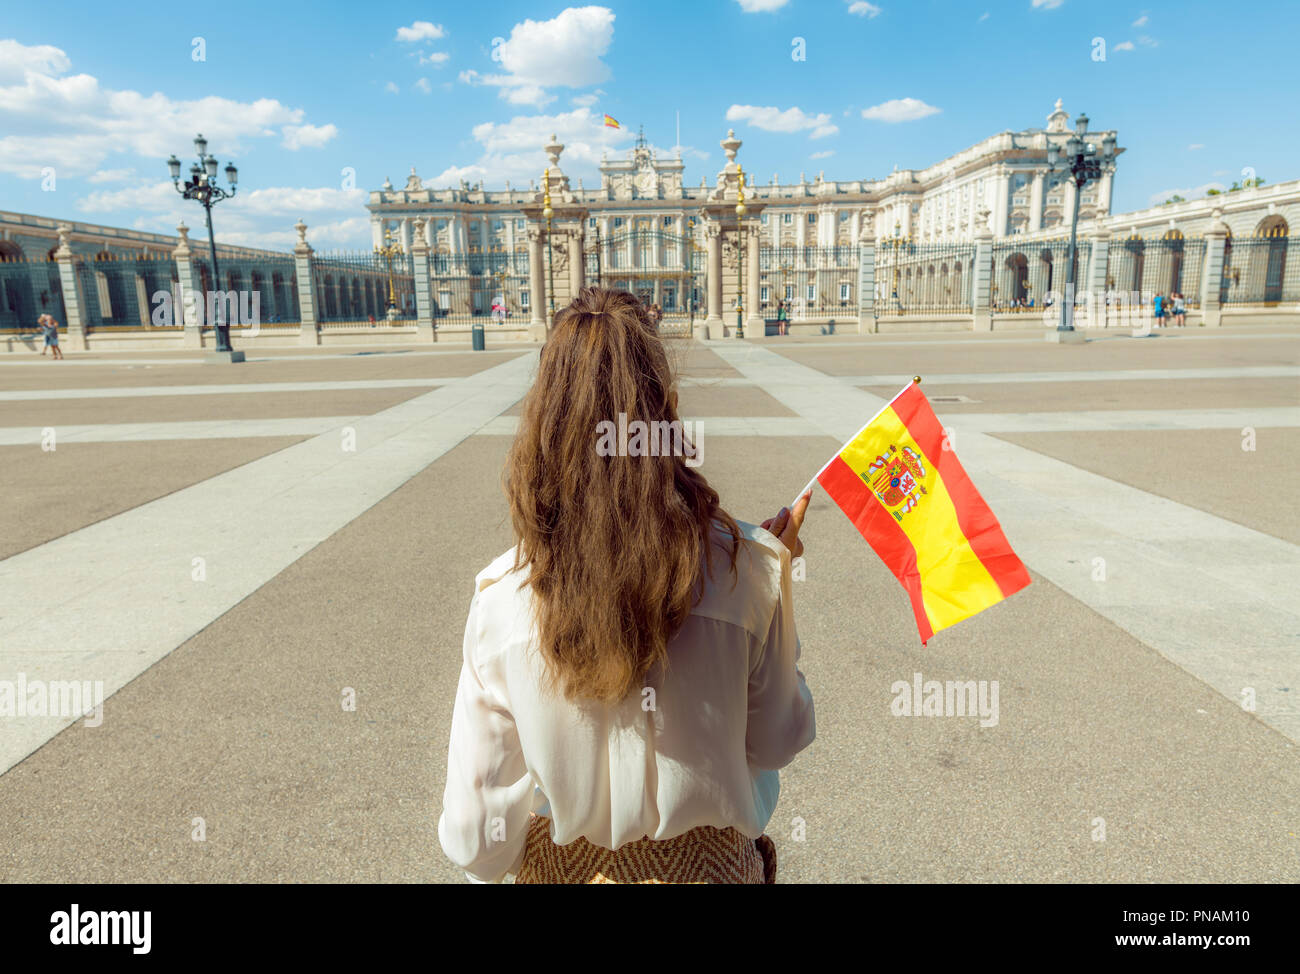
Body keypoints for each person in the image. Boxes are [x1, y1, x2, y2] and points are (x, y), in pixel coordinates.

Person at [438, 286, 815, 884]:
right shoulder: (748, 572)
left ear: (544, 421)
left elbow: (473, 836)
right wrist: (772, 586)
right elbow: (778, 741)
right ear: (663, 411)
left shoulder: (501, 602)